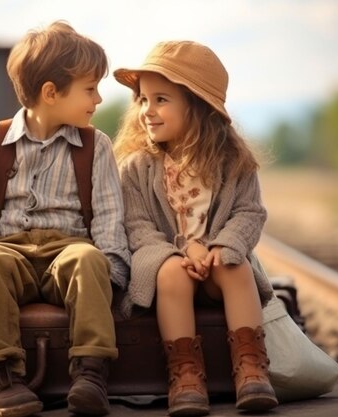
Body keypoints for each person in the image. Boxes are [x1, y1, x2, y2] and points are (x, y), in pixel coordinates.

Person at [0, 21, 130, 417]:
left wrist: (112, 271)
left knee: (90, 262)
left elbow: (108, 214)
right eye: (90, 89)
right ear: (51, 93)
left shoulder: (95, 145)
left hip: (68, 249)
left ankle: (90, 372)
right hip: (8, 249)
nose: (99, 99)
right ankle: (2, 380)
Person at [112, 40, 278, 416]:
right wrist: (183, 251)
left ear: (197, 105)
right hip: (168, 267)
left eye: (161, 99)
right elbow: (136, 227)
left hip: (218, 270)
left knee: (234, 266)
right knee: (171, 274)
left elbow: (250, 213)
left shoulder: (234, 161)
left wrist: (222, 247)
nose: (146, 111)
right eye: (142, 99)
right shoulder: (136, 167)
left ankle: (251, 367)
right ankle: (185, 374)